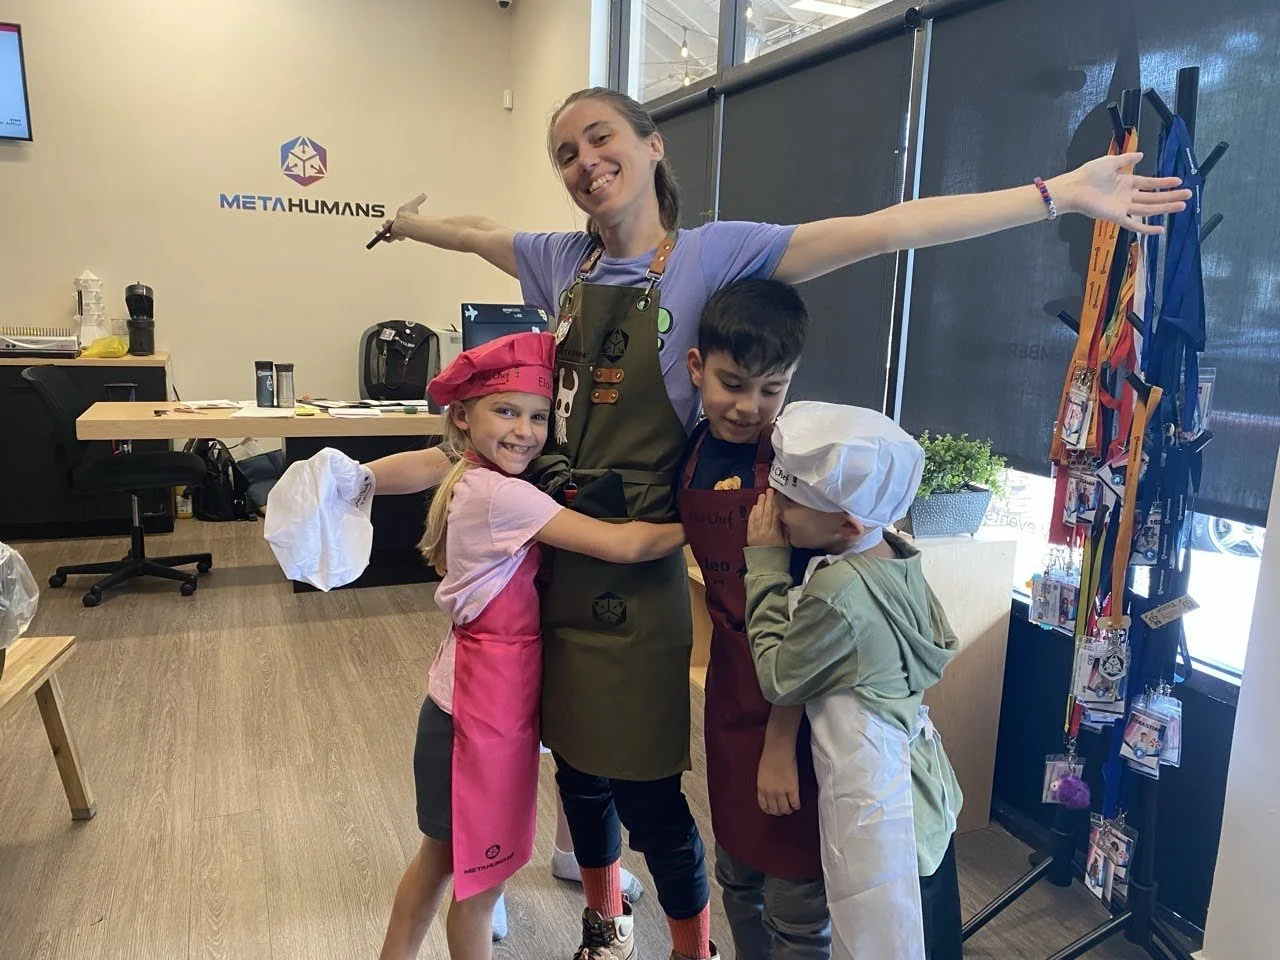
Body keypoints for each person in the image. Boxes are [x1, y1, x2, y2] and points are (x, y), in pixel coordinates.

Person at [372, 86, 1188, 960]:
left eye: (600, 138)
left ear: (652, 147)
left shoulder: (713, 256)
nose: (584, 163)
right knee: (576, 767)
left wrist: (1056, 195)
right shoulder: (559, 262)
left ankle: (692, 946)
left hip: (646, 558)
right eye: (564, 153)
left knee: (646, 777)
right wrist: (411, 225)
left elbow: (883, 227)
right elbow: (476, 232)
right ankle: (605, 925)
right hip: (563, 555)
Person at [375, 332, 685, 960]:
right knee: (475, 879)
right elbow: (623, 545)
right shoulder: (502, 495)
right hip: (470, 720)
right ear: (463, 417)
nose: (525, 431)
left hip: (466, 703)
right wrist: (706, 523)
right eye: (506, 412)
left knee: (446, 863)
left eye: (539, 416)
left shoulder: (475, 476)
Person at [744, 402, 963, 960]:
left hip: (874, 797)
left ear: (847, 525)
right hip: (922, 789)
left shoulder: (837, 595)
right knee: (925, 929)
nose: (777, 510)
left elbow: (778, 677)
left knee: (878, 932)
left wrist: (766, 566)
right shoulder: (899, 558)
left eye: (791, 502)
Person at [676, 279, 830, 960]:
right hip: (731, 691)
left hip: (795, 703)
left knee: (796, 898)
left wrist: (779, 740)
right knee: (734, 874)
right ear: (695, 369)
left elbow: (809, 621)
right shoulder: (691, 449)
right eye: (732, 383)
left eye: (772, 389)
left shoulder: (799, 473)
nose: (749, 407)